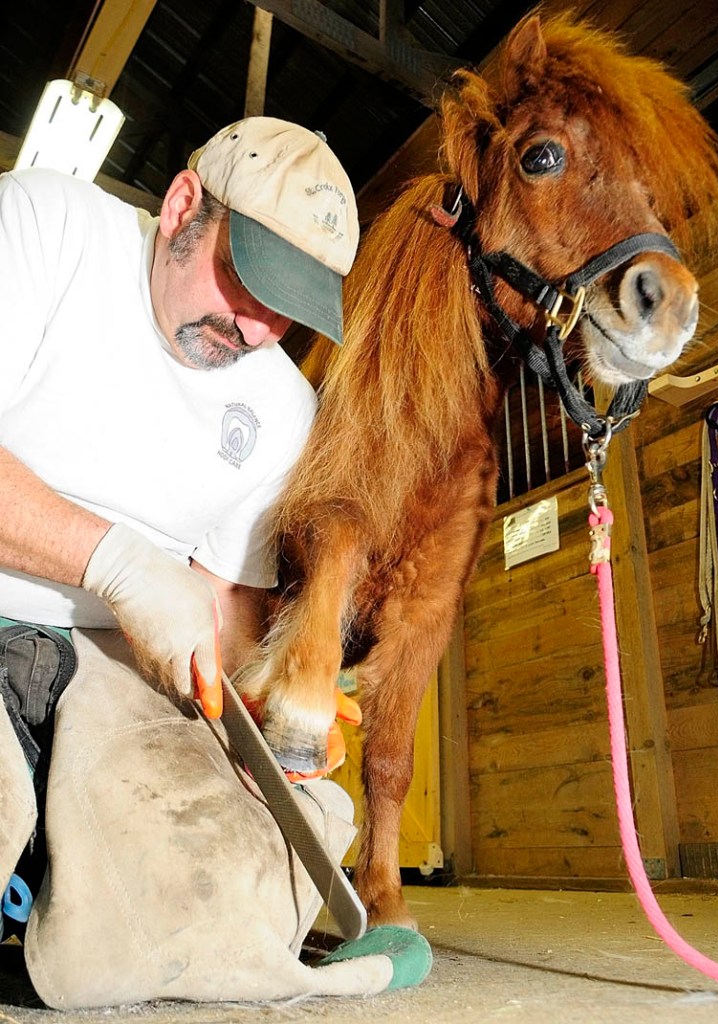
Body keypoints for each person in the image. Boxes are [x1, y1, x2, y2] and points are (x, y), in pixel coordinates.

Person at [0, 117, 360, 934]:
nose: (256, 330)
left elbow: (224, 597)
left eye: (288, 312)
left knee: (211, 877)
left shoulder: (280, 407)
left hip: (102, 669)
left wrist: (263, 700)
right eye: (244, 279)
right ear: (181, 205)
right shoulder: (42, 227)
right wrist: (116, 563)